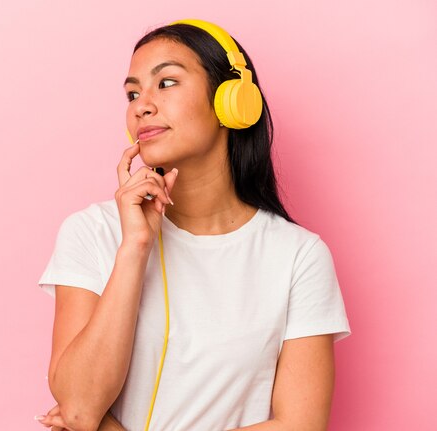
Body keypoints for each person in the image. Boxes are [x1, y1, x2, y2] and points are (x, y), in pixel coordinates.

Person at [36, 19, 351, 431]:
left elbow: (301, 425)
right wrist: (134, 247)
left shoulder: (298, 256)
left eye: (165, 83)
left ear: (231, 101)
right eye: (132, 93)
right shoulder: (91, 232)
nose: (140, 105)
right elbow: (78, 409)